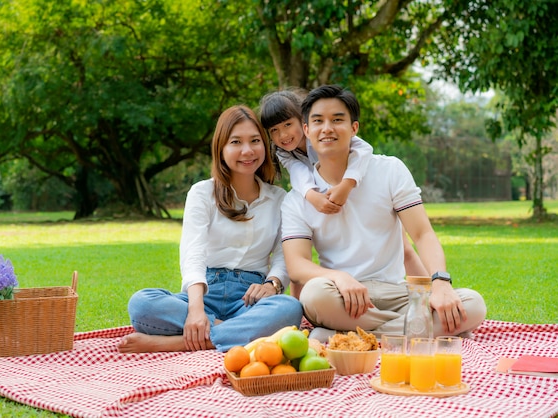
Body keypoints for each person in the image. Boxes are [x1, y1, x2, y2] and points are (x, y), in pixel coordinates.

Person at [281, 85, 486, 341]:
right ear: (307, 130)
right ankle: (422, 331)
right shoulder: (297, 199)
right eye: (318, 121)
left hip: (396, 292)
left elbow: (422, 234)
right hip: (341, 296)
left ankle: (345, 335)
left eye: (337, 120)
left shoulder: (390, 170)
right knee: (314, 295)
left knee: (473, 305)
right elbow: (297, 265)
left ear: (354, 128)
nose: (327, 128)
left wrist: (440, 283)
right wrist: (340, 277)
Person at [118, 105, 304, 353]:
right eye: (236, 142)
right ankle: (234, 332)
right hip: (205, 292)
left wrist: (272, 284)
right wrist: (196, 310)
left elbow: (284, 255)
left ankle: (181, 343)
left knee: (289, 309)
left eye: (255, 141)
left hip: (250, 299)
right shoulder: (202, 192)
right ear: (221, 148)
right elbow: (192, 252)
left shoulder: (280, 198)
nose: (247, 151)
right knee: (142, 304)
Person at [259, 89, 428, 298]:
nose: (283, 135)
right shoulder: (284, 151)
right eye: (274, 130)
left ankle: (428, 295)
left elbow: (364, 152)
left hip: (358, 188)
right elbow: (297, 172)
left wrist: (347, 185)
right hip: (322, 194)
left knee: (404, 248)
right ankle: (299, 309)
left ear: (302, 121)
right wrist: (312, 196)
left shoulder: (328, 134)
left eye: (287, 125)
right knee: (301, 258)